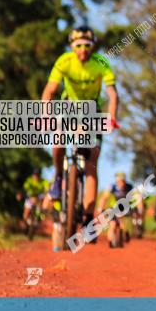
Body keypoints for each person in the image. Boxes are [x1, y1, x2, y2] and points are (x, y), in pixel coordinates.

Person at [41, 25, 119, 245]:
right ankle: (58, 177)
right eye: (78, 46)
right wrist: (46, 114)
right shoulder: (64, 61)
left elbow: (113, 94)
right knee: (57, 135)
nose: (83, 49)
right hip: (69, 106)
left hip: (93, 110)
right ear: (72, 47)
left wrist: (111, 116)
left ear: (92, 47)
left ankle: (87, 216)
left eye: (87, 45)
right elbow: (49, 91)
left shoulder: (102, 63)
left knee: (92, 161)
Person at [96, 172, 143, 247]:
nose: (121, 183)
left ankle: (125, 233)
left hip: (126, 208)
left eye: (122, 181)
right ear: (116, 181)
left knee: (124, 223)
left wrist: (140, 208)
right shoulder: (112, 187)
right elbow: (104, 198)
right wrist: (100, 208)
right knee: (112, 225)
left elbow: (138, 197)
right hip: (114, 208)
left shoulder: (130, 187)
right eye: (119, 181)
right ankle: (111, 241)